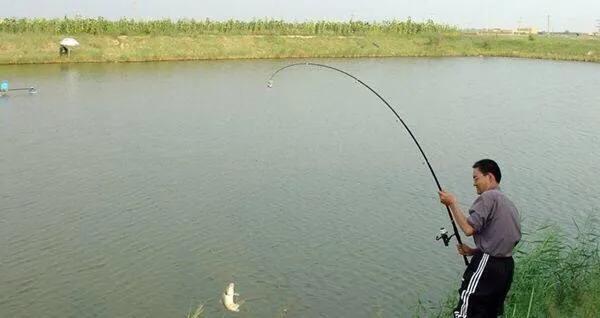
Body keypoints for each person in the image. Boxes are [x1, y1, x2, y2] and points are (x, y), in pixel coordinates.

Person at [438, 159, 521, 318]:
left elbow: (469, 229)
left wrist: (452, 203)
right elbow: (506, 240)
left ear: (489, 177)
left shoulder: (488, 197)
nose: (474, 183)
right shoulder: (508, 203)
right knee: (489, 313)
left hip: (487, 264)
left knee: (467, 309)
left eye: (476, 178)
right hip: (506, 267)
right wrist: (475, 251)